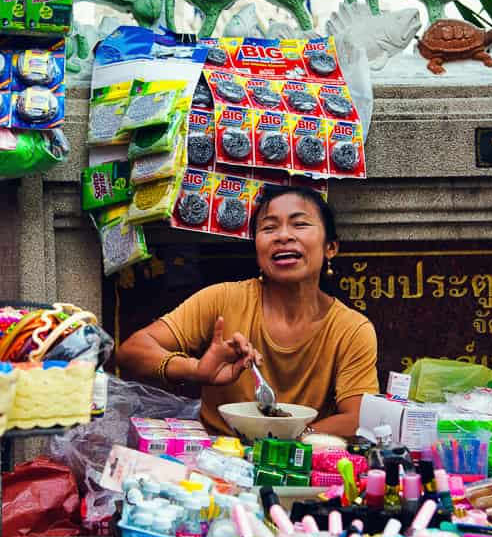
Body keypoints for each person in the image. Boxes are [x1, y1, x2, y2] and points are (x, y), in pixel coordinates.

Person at [116, 186, 379, 437]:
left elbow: (356, 417)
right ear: (258, 250)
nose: (283, 236)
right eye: (269, 228)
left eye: (299, 224)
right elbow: (131, 350)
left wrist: (291, 440)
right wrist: (196, 369)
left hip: (302, 461)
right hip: (219, 464)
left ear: (330, 248)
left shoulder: (351, 328)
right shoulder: (222, 300)